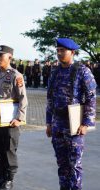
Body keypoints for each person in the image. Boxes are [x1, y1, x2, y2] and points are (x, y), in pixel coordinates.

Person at [46, 38, 96, 190]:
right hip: (57, 124)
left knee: (74, 164)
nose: (60, 53)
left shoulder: (82, 71)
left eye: (63, 51)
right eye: (58, 51)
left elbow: (91, 97)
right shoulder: (54, 72)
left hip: (74, 123)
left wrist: (86, 123)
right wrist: (49, 122)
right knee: (62, 164)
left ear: (72, 52)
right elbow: (50, 98)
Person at [0, 45, 28, 190]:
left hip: (10, 121)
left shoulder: (16, 76)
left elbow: (23, 99)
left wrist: (19, 118)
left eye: (1, 56)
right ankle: (1, 178)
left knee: (8, 150)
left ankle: (9, 180)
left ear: (9, 57)